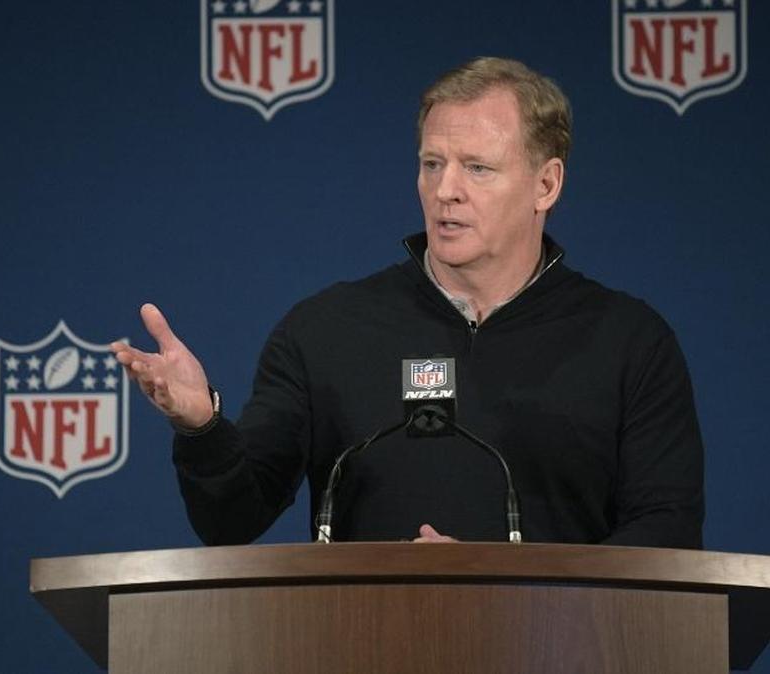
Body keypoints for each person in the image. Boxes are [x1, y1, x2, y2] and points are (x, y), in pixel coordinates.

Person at [112, 57, 704, 547]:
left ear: (546, 185)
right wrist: (202, 427)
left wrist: (503, 584)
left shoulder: (628, 341)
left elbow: (667, 535)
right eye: (431, 164)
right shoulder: (325, 331)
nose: (446, 190)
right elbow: (232, 520)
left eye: (477, 168)